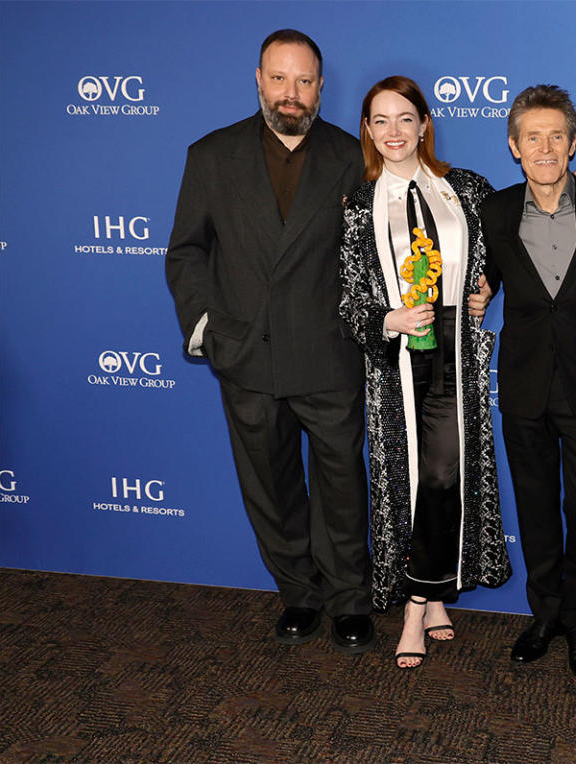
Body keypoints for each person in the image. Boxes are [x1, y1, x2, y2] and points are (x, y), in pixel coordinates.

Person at [165, 29, 374, 653]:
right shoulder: (211, 156)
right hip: (246, 355)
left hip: (328, 353)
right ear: (258, 79)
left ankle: (348, 601)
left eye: (304, 81)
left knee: (340, 487)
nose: (292, 94)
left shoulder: (351, 155)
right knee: (271, 487)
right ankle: (300, 595)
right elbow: (187, 251)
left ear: (320, 87)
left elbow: (385, 246)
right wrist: (208, 329)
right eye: (280, 79)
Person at [338, 76, 511, 669]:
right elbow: (348, 299)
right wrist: (389, 317)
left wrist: (487, 286)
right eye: (380, 120)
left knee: (446, 474)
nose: (393, 132)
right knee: (418, 478)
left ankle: (427, 593)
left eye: (405, 118)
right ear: (367, 129)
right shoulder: (359, 205)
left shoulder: (464, 187)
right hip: (398, 364)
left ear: (424, 123)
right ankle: (422, 601)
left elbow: (501, 248)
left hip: (457, 356)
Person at [481, 85, 576, 680]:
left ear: (573, 144)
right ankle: (543, 614)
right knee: (537, 508)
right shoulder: (494, 212)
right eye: (532, 137)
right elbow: (489, 274)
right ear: (515, 147)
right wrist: (482, 292)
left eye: (556, 136)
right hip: (522, 383)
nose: (544, 147)